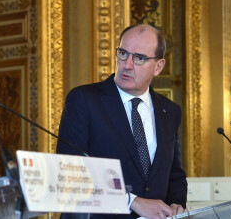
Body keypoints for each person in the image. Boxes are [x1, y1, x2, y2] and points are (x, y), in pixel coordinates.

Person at [57, 24, 188, 219]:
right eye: (123, 53)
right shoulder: (84, 100)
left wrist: (176, 205)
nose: (127, 64)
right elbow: (71, 174)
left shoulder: (170, 111)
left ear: (159, 66)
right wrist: (133, 201)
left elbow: (174, 176)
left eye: (140, 58)